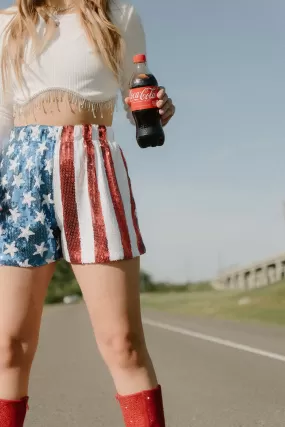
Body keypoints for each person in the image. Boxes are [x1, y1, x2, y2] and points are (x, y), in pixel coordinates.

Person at [0, 0, 175, 426]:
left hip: (92, 162)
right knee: (9, 346)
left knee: (124, 342)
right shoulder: (7, 22)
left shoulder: (119, 16)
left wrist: (153, 111)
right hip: (21, 173)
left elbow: (138, 92)